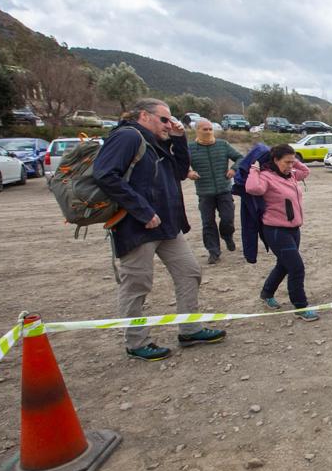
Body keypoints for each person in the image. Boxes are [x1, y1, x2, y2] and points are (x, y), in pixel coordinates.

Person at [92, 98, 226, 361]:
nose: (170, 123)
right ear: (144, 115)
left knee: (189, 272)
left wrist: (177, 139)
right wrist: (141, 210)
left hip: (166, 224)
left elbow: (179, 172)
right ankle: (136, 342)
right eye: (164, 119)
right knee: (137, 285)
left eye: (171, 120)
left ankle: (190, 329)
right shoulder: (127, 136)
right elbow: (105, 174)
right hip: (136, 226)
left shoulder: (156, 141)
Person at [245, 143, 319, 322]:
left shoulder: (291, 174)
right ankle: (300, 307)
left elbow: (306, 172)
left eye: (292, 162)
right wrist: (254, 169)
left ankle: (266, 293)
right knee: (296, 267)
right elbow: (253, 188)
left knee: (284, 265)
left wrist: (294, 161)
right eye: (286, 162)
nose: (290, 165)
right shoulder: (266, 176)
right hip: (276, 230)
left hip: (294, 229)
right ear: (275, 160)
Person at [187, 119, 243, 264]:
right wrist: (189, 173)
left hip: (224, 189)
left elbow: (240, 158)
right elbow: (181, 165)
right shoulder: (190, 148)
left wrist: (233, 169)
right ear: (197, 130)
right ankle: (213, 252)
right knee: (208, 223)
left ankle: (227, 235)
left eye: (210, 129)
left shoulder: (222, 145)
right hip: (205, 193)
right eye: (204, 129)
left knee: (227, 218)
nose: (208, 132)